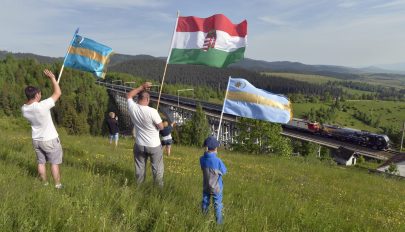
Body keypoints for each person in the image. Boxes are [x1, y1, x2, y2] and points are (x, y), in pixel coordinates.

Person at [21, 69, 63, 189]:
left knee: (41, 162)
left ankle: (44, 183)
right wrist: (53, 79)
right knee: (54, 163)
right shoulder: (42, 106)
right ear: (36, 95)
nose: (40, 95)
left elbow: (30, 104)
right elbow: (58, 93)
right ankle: (57, 185)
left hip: (36, 140)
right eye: (39, 94)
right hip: (49, 139)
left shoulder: (24, 109)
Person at [126, 82, 164, 186]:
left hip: (139, 144)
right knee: (157, 170)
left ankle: (140, 187)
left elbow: (129, 95)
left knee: (139, 169)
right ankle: (158, 190)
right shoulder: (152, 111)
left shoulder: (132, 108)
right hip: (154, 145)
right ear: (147, 99)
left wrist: (141, 87)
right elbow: (161, 127)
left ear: (138, 98)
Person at [200, 136, 227, 224]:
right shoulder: (218, 160)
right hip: (216, 187)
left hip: (206, 186)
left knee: (205, 202)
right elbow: (224, 171)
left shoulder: (202, 159)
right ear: (215, 148)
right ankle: (219, 224)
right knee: (217, 204)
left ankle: (204, 219)